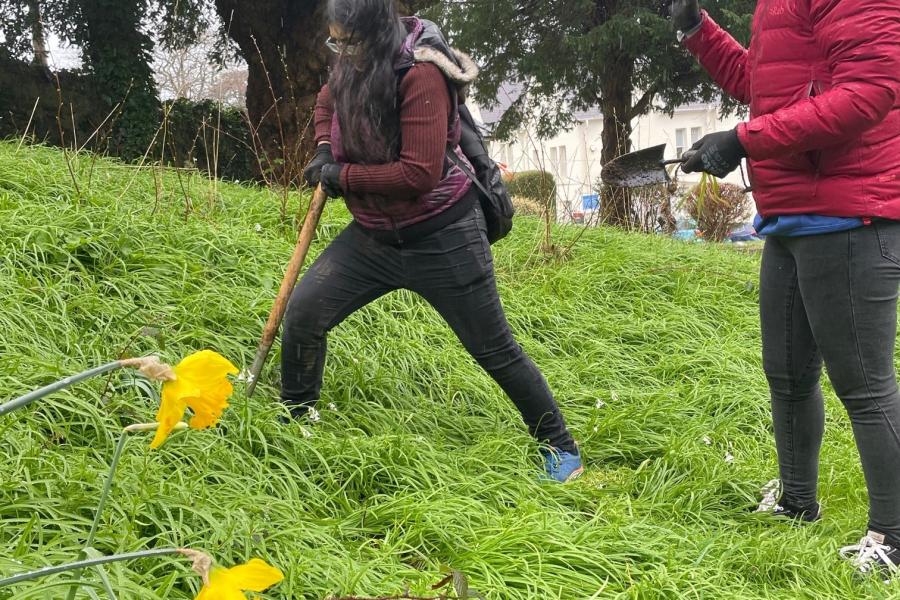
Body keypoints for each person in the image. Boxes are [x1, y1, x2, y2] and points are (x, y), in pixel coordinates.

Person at [282, 0, 583, 482]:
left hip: (443, 235)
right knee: (303, 314)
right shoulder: (352, 58)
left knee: (494, 349)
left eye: (349, 41)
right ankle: (294, 425)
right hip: (375, 236)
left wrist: (344, 175)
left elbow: (419, 173)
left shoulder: (422, 74)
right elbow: (327, 99)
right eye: (334, 41)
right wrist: (323, 147)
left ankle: (559, 445)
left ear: (377, 33)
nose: (341, 52)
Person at [670, 0, 900, 575]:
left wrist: (744, 141)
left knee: (865, 388)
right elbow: (766, 81)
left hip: (851, 211)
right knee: (788, 373)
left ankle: (894, 537)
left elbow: (867, 93)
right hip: (792, 213)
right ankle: (799, 503)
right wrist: (698, 30)